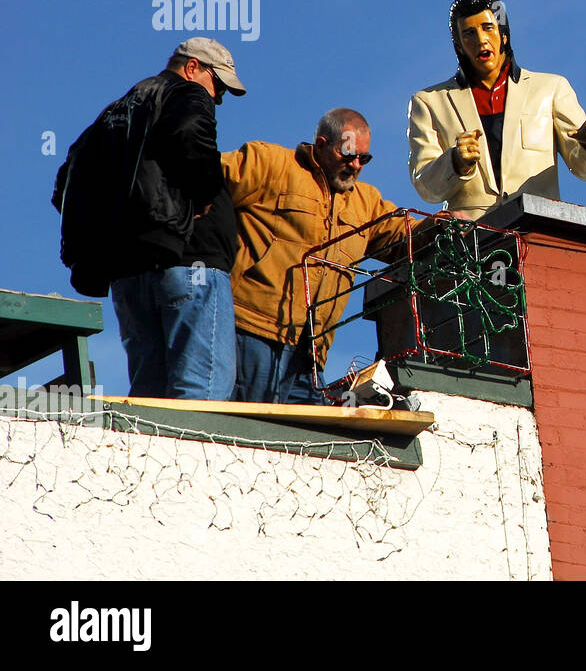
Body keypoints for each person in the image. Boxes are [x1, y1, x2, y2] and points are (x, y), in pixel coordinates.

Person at [52, 37, 247, 399]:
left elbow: (66, 180)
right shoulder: (185, 93)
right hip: (188, 261)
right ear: (192, 67)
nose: (217, 97)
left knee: (149, 395)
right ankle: (194, 458)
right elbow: (192, 132)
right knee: (201, 394)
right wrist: (203, 195)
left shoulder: (115, 111)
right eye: (217, 84)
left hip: (129, 276)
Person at [222, 108, 408, 404]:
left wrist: (443, 225)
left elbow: (403, 234)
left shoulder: (367, 204)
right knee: (243, 429)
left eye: (364, 158)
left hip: (310, 355)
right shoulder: (272, 164)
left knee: (305, 441)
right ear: (321, 145)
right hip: (250, 333)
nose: (356, 164)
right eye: (348, 154)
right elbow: (202, 180)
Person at [407, 0, 586, 220]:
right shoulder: (429, 102)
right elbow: (425, 185)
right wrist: (455, 162)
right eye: (469, 33)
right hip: (472, 241)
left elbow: (585, 169)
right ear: (458, 45)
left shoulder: (551, 89)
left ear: (504, 35)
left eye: (488, 27)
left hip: (538, 231)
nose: (480, 40)